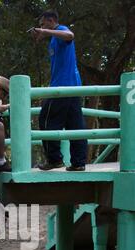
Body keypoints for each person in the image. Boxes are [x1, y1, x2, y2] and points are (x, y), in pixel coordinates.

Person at [31, 10, 87, 171]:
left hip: (63, 87)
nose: (40, 27)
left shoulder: (62, 30)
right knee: (75, 125)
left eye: (42, 24)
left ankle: (54, 159)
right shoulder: (54, 40)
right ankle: (78, 162)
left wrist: (45, 32)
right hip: (71, 86)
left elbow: (70, 35)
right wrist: (43, 35)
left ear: (50, 21)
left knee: (46, 120)